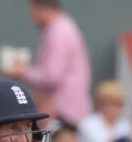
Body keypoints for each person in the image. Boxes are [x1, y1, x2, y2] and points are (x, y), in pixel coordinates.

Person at [14, 0, 92, 128]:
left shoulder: (58, 32)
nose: (31, 15)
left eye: (33, 10)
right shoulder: (61, 27)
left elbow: (52, 77)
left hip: (64, 115)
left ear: (44, 9)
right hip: (67, 112)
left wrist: (24, 72)